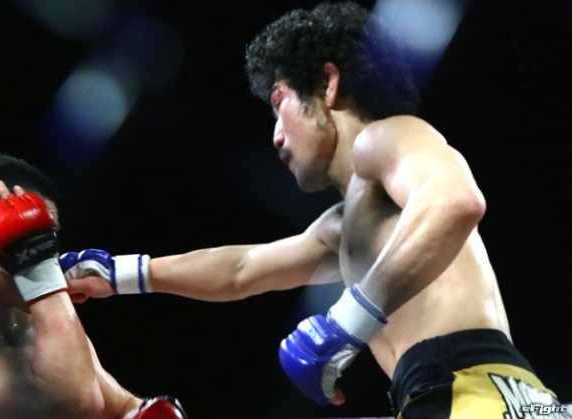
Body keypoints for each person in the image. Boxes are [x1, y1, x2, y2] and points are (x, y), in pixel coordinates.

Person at [60, 2, 570, 418]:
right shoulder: (343, 225)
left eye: (279, 102)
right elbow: (241, 270)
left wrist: (345, 323)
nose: (276, 136)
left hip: (475, 389)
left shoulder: (388, 137)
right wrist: (120, 274)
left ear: (327, 85)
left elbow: (457, 201)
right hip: (456, 396)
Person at [0, 151, 188, 418]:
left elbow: (124, 409)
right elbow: (72, 403)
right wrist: (37, 270)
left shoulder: (31, 327)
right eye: (37, 237)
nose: (50, 255)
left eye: (47, 239)